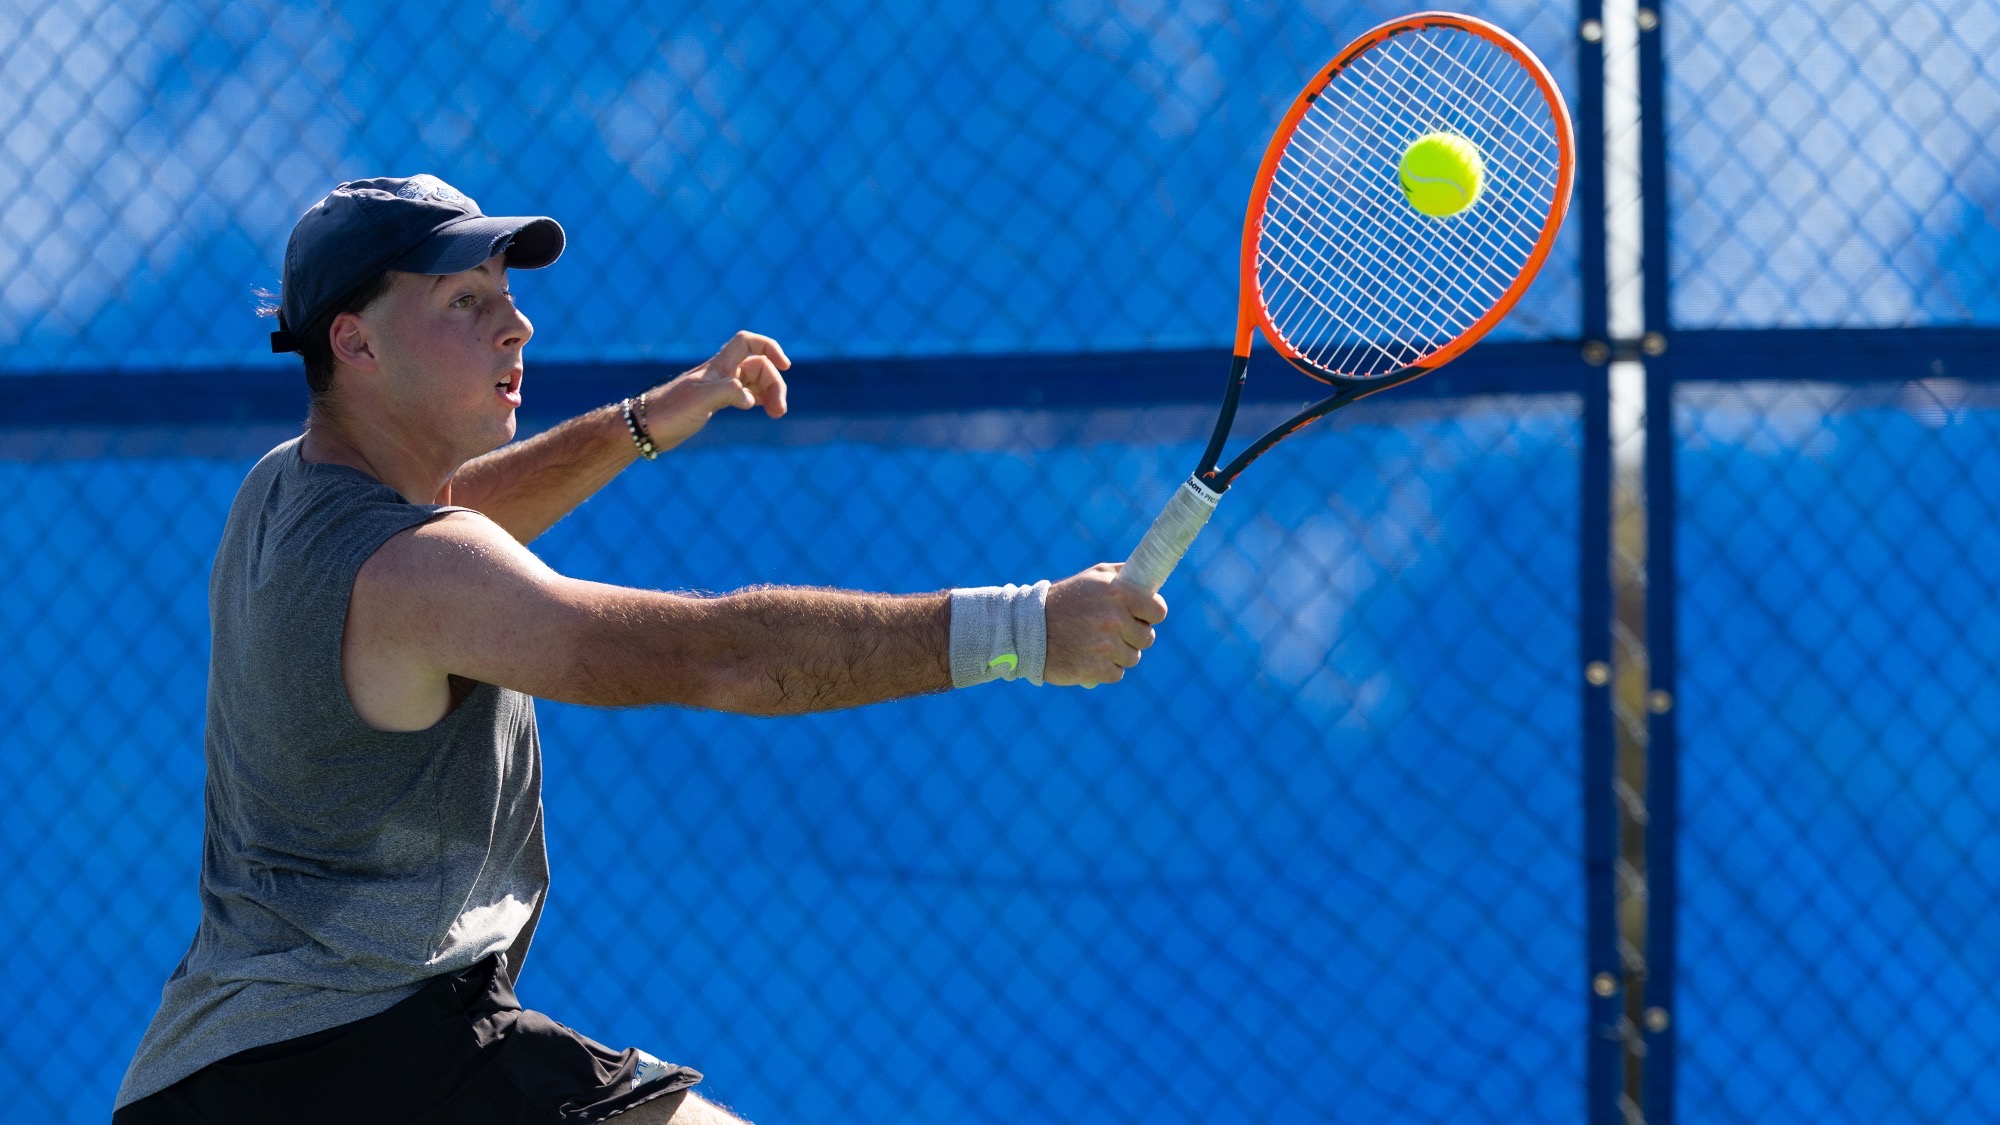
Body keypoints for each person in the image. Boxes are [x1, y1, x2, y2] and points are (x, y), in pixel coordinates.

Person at [110, 175, 1168, 1125]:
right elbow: (721, 658)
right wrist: (1023, 629)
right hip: (376, 1061)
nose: (516, 327)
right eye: (465, 303)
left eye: (507, 296)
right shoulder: (417, 574)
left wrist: (643, 420)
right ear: (355, 342)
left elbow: (455, 512)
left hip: (196, 1080)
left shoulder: (281, 499)